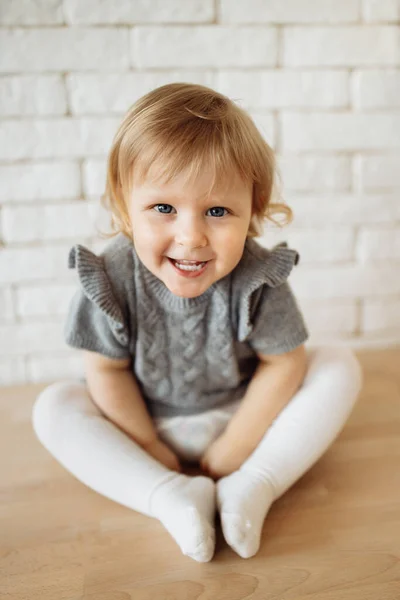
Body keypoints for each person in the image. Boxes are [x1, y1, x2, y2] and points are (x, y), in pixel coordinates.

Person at [32, 83, 363, 563]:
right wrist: (147, 444)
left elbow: (284, 363)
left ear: (252, 210)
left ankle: (255, 483)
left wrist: (237, 447)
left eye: (217, 211)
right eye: (163, 208)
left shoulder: (256, 277)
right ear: (126, 206)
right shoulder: (111, 277)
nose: (190, 237)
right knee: (55, 404)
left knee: (337, 364)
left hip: (244, 417)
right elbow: (105, 371)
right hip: (144, 424)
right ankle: (167, 494)